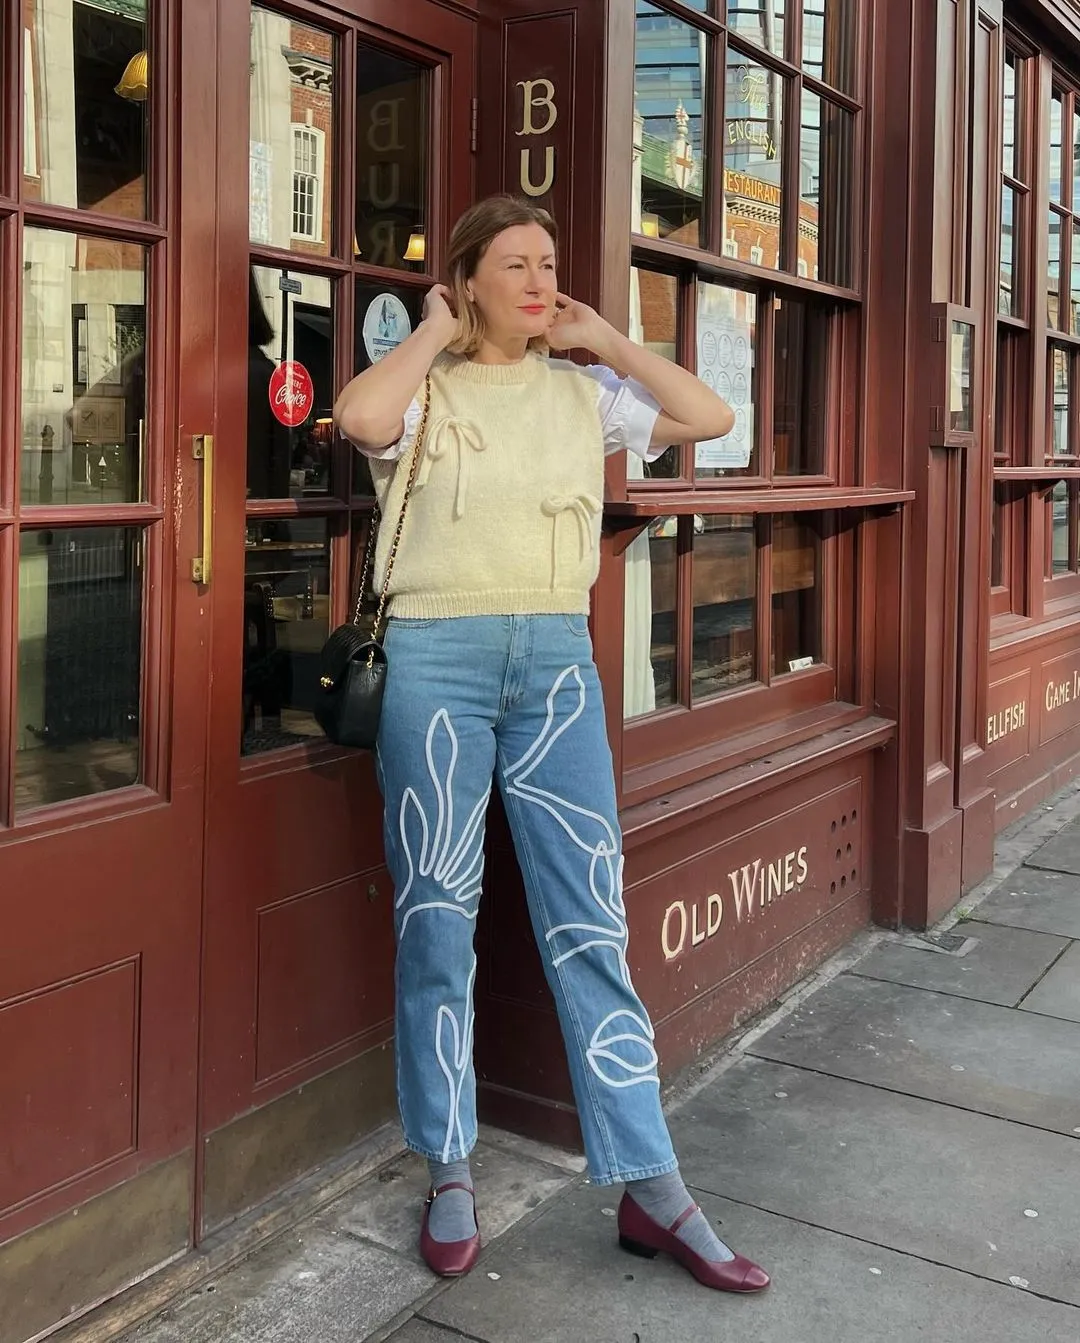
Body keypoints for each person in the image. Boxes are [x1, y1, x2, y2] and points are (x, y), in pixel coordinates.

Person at [334, 195, 769, 1294]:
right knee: (438, 920)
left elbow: (713, 417)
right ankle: (448, 1166)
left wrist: (611, 338)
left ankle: (654, 1183)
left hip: (558, 667)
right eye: (515, 264)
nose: (539, 281)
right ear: (470, 276)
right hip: (434, 662)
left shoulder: (589, 392)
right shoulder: (426, 388)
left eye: (550, 262)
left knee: (593, 921)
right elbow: (356, 419)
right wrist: (433, 326)